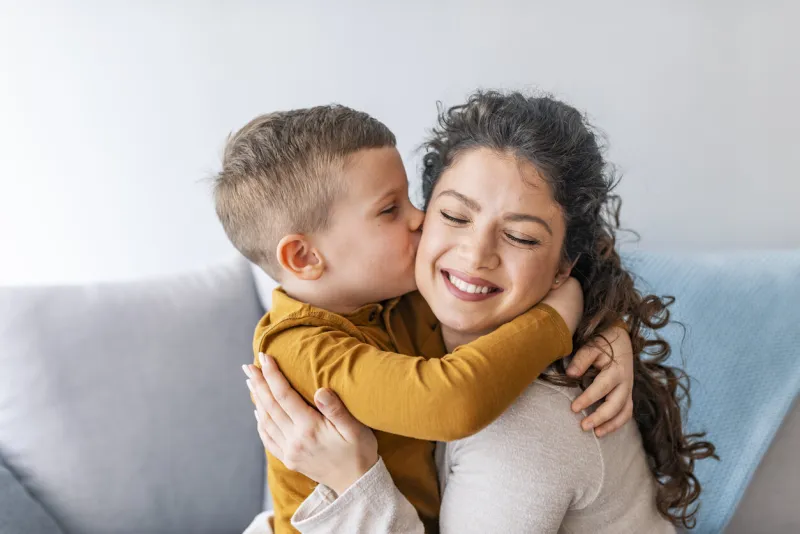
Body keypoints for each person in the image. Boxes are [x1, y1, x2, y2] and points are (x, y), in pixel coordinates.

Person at [248, 91, 717, 533]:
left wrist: (351, 478)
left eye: (522, 237)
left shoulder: (529, 426)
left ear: (563, 267)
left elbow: (454, 400)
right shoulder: (378, 309)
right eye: (453, 216)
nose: (475, 256)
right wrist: (583, 313)